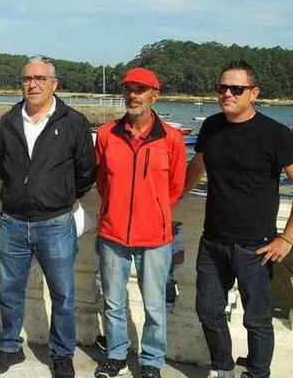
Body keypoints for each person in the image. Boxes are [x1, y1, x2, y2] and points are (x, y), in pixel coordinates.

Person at [186, 61, 293, 378]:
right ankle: (222, 368)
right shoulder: (211, 127)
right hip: (213, 241)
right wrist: (169, 197)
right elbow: (196, 168)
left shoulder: (276, 134)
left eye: (236, 89)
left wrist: (287, 238)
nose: (226, 93)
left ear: (253, 93)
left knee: (256, 319)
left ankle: (257, 373)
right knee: (208, 310)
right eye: (221, 88)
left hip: (256, 246)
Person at [0, 55, 97, 378]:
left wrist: (60, 195)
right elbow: (4, 166)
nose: (32, 84)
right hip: (13, 221)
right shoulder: (8, 121)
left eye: (39, 79)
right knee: (9, 289)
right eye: (26, 79)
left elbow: (87, 171)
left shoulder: (74, 122)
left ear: (54, 84)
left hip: (56, 222)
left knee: (62, 293)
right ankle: (9, 346)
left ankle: (62, 354)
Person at [93, 68, 187, 378]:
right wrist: (115, 208)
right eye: (129, 89)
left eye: (141, 89)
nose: (133, 95)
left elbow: (175, 187)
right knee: (113, 302)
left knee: (155, 306)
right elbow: (102, 181)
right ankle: (117, 355)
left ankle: (151, 361)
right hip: (113, 232)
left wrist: (154, 210)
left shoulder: (171, 139)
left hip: (155, 237)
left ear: (154, 96)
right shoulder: (107, 133)